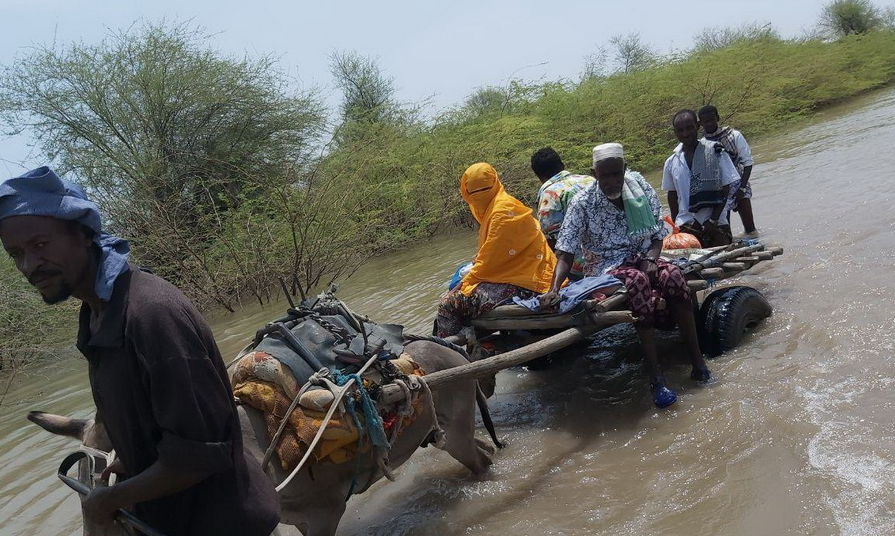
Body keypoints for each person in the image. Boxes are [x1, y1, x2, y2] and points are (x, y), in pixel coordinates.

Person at [0, 167, 280, 536]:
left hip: (222, 520)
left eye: (40, 245)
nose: (28, 266)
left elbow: (199, 455)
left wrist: (106, 500)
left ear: (84, 233)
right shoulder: (97, 314)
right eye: (15, 253)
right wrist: (136, 462)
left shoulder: (151, 314)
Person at [539, 144, 711, 408]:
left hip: (645, 255)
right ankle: (656, 377)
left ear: (624, 170)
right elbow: (566, 251)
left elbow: (657, 234)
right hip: (607, 267)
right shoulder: (583, 203)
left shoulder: (639, 187)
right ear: (593, 173)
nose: (611, 181)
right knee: (638, 282)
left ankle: (698, 361)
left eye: (616, 174)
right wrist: (553, 289)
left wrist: (652, 259)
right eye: (604, 176)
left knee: (675, 275)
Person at [436, 162, 556, 338]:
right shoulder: (504, 206)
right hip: (530, 271)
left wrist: (461, 287)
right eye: (475, 193)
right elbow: (492, 255)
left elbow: (487, 263)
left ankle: (451, 354)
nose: (479, 197)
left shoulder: (501, 212)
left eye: (483, 191)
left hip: (526, 283)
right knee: (462, 286)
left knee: (447, 304)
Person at [662, 109, 739, 247]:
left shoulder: (716, 152)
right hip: (686, 224)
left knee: (721, 248)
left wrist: (713, 220)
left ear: (698, 126)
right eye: (680, 130)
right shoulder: (671, 162)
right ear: (675, 133)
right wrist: (676, 228)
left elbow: (726, 188)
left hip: (716, 223)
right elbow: (672, 197)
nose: (685, 134)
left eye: (689, 128)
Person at [531, 146, 594, 281]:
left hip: (582, 267)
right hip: (612, 252)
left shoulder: (549, 196)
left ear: (538, 176)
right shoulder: (590, 180)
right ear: (562, 165)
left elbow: (554, 242)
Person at [698, 104, 758, 238]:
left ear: (717, 118)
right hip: (719, 192)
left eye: (711, 120)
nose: (708, 124)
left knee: (750, 229)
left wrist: (742, 189)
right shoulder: (701, 144)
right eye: (705, 121)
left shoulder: (734, 135)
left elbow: (747, 163)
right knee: (726, 231)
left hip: (740, 186)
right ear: (700, 123)